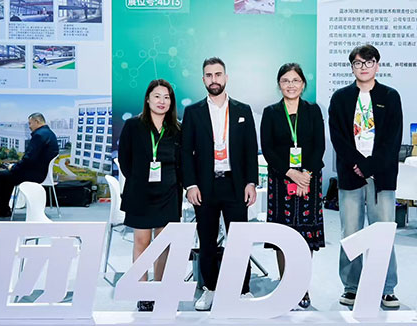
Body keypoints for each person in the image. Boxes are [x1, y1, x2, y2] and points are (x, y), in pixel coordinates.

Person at [328, 44, 403, 308]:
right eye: (358, 63)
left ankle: (387, 287)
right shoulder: (341, 98)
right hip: (351, 175)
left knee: (384, 232)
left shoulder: (390, 96)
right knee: (351, 233)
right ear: (352, 67)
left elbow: (393, 139)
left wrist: (370, 167)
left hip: (381, 177)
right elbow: (338, 137)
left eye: (368, 62)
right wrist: (358, 164)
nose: (364, 67)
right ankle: (352, 287)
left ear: (377, 65)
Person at [182, 57, 258, 311]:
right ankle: (210, 289)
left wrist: (251, 182)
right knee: (207, 241)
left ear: (226, 77)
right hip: (205, 187)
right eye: (209, 75)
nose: (213, 79)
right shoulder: (193, 112)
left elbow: (250, 149)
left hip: (235, 184)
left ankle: (243, 288)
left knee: (240, 239)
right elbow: (185, 152)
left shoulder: (242, 110)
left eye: (218, 74)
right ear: (203, 79)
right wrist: (190, 185)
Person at [260, 63, 325, 309]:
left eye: (295, 80)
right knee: (283, 235)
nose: (291, 85)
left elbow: (319, 145)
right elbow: (268, 148)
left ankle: (302, 286)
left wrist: (305, 175)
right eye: (285, 80)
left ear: (303, 84)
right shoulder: (271, 112)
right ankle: (286, 285)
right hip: (281, 180)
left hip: (309, 180)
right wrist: (291, 173)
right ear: (279, 84)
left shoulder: (313, 110)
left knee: (306, 235)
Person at [118, 79, 182, 312]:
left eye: (166, 97)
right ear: (147, 99)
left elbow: (182, 161)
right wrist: (138, 180)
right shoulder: (133, 126)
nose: (161, 101)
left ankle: (159, 289)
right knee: (142, 242)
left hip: (169, 193)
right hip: (140, 193)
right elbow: (125, 159)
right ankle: (143, 293)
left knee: (163, 244)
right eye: (157, 96)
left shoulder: (177, 128)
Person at [0, 113, 59, 217]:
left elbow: (29, 159)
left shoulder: (39, 135)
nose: (29, 126)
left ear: (37, 121)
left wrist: (14, 167)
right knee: (7, 177)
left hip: (34, 174)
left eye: (30, 123)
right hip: (41, 172)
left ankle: (0, 209)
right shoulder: (49, 133)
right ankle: (2, 209)